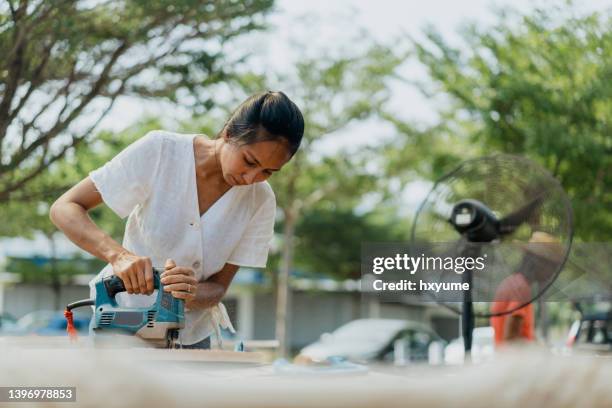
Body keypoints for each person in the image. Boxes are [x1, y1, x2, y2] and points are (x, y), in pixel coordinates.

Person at [49, 91, 304, 348]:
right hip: (121, 328)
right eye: (249, 161)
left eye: (268, 172)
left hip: (193, 337)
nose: (251, 178)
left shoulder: (260, 200)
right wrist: (118, 256)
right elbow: (65, 207)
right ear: (228, 133)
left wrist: (191, 293)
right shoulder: (161, 151)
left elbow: (218, 288)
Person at [490, 231, 565, 346]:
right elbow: (511, 339)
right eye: (552, 266)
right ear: (539, 263)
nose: (552, 273)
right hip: (512, 362)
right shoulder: (521, 289)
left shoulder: (513, 283)